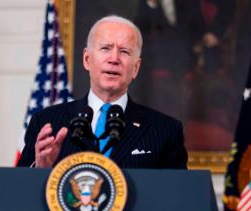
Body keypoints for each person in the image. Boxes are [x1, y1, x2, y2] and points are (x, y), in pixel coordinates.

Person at [17, 15, 188, 170]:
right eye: (105, 48)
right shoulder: (47, 123)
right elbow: (18, 192)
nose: (114, 59)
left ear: (135, 68)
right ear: (87, 59)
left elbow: (178, 196)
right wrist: (40, 170)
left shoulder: (165, 130)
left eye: (124, 51)